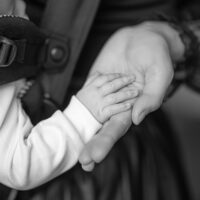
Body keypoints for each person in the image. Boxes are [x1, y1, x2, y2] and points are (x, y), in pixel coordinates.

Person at [1, 0, 199, 199]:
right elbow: (16, 164)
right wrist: (85, 112)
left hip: (128, 134)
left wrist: (175, 38)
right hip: (67, 149)